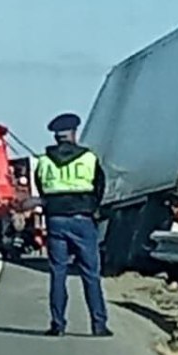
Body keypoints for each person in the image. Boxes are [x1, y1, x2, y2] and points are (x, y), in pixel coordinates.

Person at [34, 112, 111, 337]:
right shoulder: (89, 158)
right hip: (82, 221)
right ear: (74, 134)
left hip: (56, 221)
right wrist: (91, 209)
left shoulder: (44, 161)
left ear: (56, 137)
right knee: (90, 274)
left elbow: (41, 189)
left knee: (58, 273)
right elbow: (99, 188)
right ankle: (98, 325)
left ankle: (57, 324)